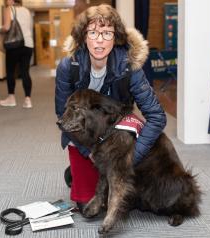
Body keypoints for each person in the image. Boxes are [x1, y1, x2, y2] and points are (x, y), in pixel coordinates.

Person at [55, 4, 166, 210]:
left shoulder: (128, 66)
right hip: (85, 139)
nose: (99, 39)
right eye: (93, 32)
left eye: (107, 33)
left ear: (116, 38)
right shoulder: (68, 67)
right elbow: (63, 117)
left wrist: (131, 158)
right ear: (83, 36)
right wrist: (85, 150)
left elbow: (157, 117)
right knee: (87, 205)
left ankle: (93, 169)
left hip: (116, 138)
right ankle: (79, 170)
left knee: (138, 200)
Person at [0, 0, 34, 108]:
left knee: (10, 71)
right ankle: (28, 100)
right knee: (25, 72)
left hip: (14, 44)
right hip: (28, 44)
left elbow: (7, 27)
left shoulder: (9, 9)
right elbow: (29, 28)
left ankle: (11, 98)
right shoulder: (27, 11)